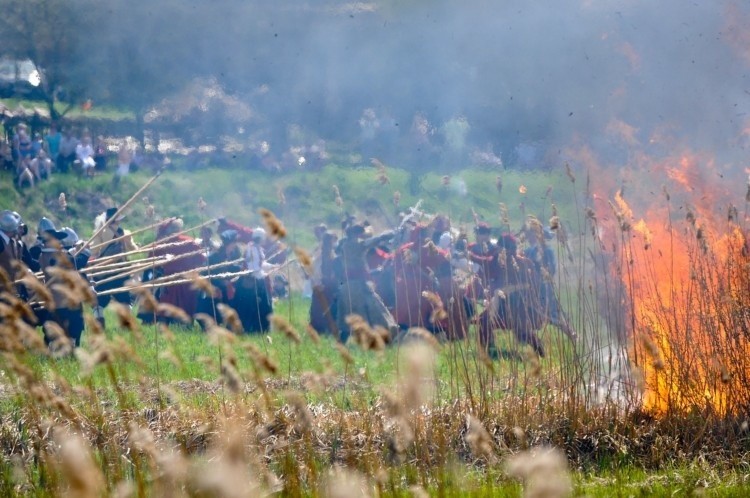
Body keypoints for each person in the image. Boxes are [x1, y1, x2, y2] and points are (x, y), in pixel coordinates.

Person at [334, 222, 399, 344]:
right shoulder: (353, 245)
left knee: (352, 317)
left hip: (349, 285)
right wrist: (387, 235)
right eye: (359, 232)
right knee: (377, 312)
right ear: (355, 233)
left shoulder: (346, 245)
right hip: (357, 286)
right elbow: (372, 241)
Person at [36, 226, 90, 348]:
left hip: (58, 299)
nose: (59, 243)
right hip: (63, 301)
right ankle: (65, 350)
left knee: (60, 328)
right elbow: (77, 262)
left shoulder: (45, 255)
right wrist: (86, 251)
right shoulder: (54, 257)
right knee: (72, 327)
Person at [90, 207, 139, 328]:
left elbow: (94, 250)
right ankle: (126, 323)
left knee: (100, 298)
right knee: (124, 298)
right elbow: (133, 249)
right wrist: (138, 246)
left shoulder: (100, 232)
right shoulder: (125, 232)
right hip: (120, 270)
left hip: (103, 270)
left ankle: (99, 318)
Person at [235, 228, 274, 333]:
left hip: (257, 279)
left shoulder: (256, 248)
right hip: (253, 281)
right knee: (257, 305)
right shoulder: (252, 249)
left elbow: (259, 264)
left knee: (260, 305)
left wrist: (271, 266)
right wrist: (263, 273)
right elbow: (253, 268)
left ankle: (258, 328)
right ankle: (254, 328)